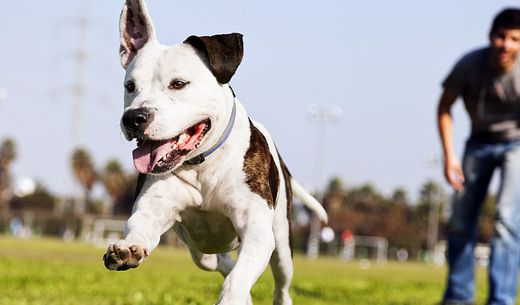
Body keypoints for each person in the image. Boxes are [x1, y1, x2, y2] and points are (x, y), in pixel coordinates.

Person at [437, 8, 520, 305]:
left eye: (514, 39)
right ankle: (458, 297)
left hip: (516, 145)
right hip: (478, 142)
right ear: (490, 36)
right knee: (460, 220)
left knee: (506, 220)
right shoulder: (469, 65)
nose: (506, 45)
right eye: (501, 37)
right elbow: (444, 108)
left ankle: (502, 300)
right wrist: (449, 156)